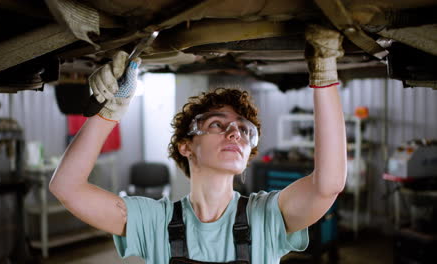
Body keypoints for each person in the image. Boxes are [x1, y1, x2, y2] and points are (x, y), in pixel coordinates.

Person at [49, 24, 347, 263]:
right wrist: (109, 112)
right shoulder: (155, 221)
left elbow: (328, 184)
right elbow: (67, 188)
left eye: (244, 131)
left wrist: (323, 77)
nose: (235, 134)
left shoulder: (265, 217)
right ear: (185, 146)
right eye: (218, 124)